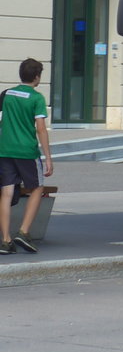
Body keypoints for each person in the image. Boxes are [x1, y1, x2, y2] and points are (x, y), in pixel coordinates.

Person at [0, 59, 54, 254]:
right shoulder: (36, 98)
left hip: (5, 150)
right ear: (37, 77)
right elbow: (40, 127)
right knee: (37, 187)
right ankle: (23, 232)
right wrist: (48, 157)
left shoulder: (7, 95)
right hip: (26, 151)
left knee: (6, 193)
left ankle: (5, 240)